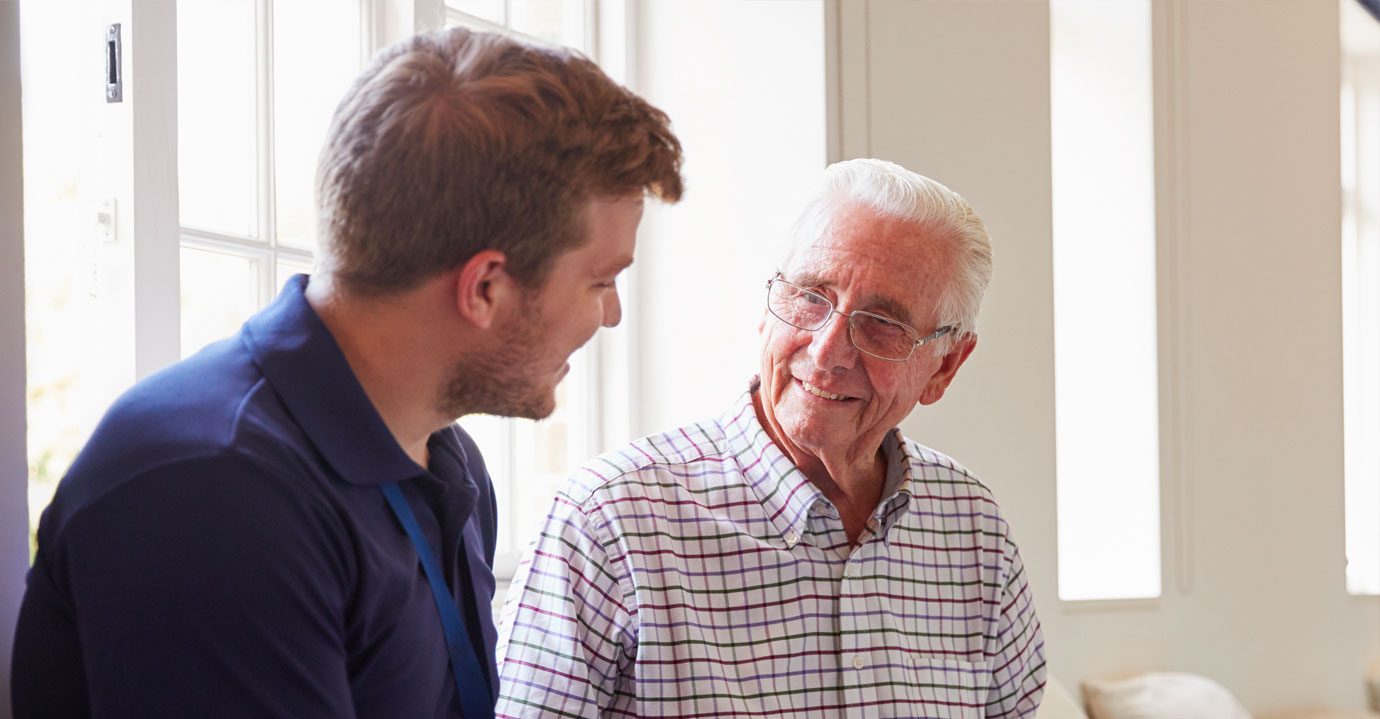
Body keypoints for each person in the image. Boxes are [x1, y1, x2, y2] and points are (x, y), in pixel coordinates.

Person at [12, 27, 682, 719]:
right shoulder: (211, 489)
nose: (610, 316)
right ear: (484, 287)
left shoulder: (448, 465)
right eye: (600, 280)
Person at [495, 159, 1045, 718]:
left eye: (883, 322)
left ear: (946, 365)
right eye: (810, 296)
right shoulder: (610, 519)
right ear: (766, 308)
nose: (828, 351)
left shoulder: (972, 529)